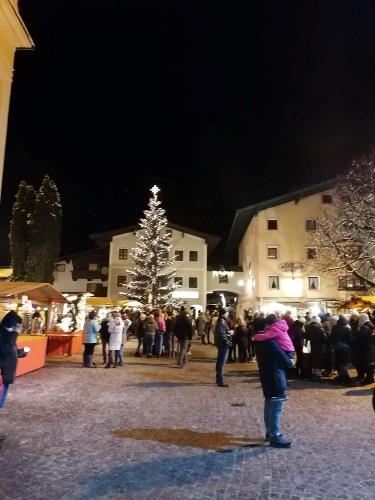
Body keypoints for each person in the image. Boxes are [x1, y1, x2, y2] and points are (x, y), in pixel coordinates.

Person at [254, 334, 293, 448]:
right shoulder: (271, 341)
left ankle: (269, 431)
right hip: (275, 378)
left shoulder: (260, 340)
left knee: (269, 403)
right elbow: (283, 359)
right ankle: (275, 435)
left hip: (266, 377)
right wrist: (290, 361)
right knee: (276, 407)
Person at [0, 311, 28, 408]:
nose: (17, 328)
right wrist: (15, 333)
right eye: (16, 326)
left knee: (4, 391)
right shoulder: (2, 334)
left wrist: (21, 352)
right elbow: (5, 349)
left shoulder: (9, 334)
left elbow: (12, 349)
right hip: (2, 372)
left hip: (7, 373)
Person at [304, 315, 327, 381]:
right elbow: (324, 338)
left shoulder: (308, 327)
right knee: (319, 361)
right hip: (319, 346)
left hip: (311, 346)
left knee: (313, 360)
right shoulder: (320, 328)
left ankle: (313, 374)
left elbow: (305, 336)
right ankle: (318, 375)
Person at [214, 308, 232, 387]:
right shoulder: (221, 321)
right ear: (224, 314)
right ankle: (220, 380)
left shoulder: (221, 320)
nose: (228, 313)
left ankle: (218, 379)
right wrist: (230, 333)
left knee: (220, 361)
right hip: (223, 344)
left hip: (222, 343)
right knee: (221, 362)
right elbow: (221, 334)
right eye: (227, 312)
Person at [356, 313, 375, 385]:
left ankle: (369, 379)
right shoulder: (371, 324)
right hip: (370, 347)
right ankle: (370, 378)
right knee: (370, 364)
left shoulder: (366, 327)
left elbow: (363, 338)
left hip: (367, 348)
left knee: (368, 364)